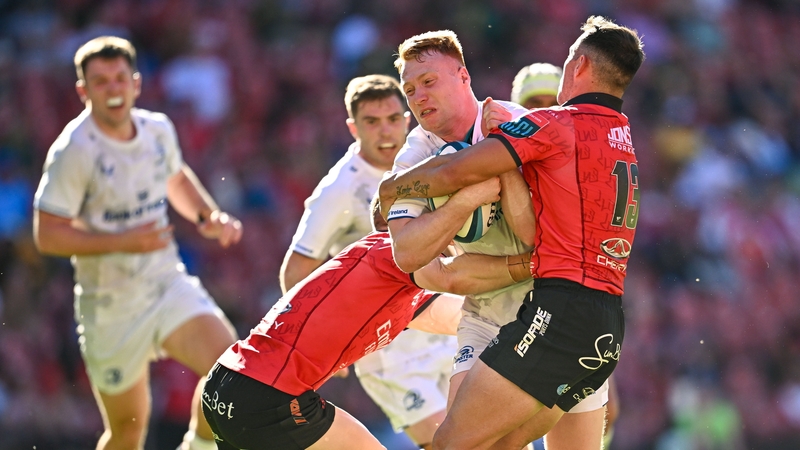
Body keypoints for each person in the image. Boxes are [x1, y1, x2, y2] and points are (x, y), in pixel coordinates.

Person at [380, 16, 645, 449]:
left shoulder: (546, 124)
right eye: (410, 89)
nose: (418, 97)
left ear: (577, 67)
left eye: (428, 81)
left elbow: (458, 171)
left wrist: (394, 190)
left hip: (552, 311)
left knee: (454, 444)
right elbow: (417, 261)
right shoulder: (620, 132)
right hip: (593, 313)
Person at [32, 36, 242, 450]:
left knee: (232, 370)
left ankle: (197, 447)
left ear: (136, 83)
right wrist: (125, 240)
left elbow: (176, 177)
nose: (112, 90)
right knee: (128, 432)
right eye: (101, 82)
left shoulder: (156, 129)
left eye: (119, 79)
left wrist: (207, 216)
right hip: (110, 305)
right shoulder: (74, 150)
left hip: (164, 281)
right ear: (83, 91)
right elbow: (47, 234)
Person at [203, 192, 533, 450]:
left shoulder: (398, 282)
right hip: (268, 396)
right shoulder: (392, 252)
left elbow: (463, 316)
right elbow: (451, 277)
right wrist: (537, 262)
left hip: (227, 385)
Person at [279, 74, 458, 449]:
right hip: (389, 352)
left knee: (498, 438)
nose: (385, 131)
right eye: (372, 122)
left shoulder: (424, 158)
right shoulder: (341, 188)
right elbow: (296, 269)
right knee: (450, 444)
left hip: (441, 328)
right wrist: (319, 340)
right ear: (352, 127)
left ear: (406, 118)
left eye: (393, 118)